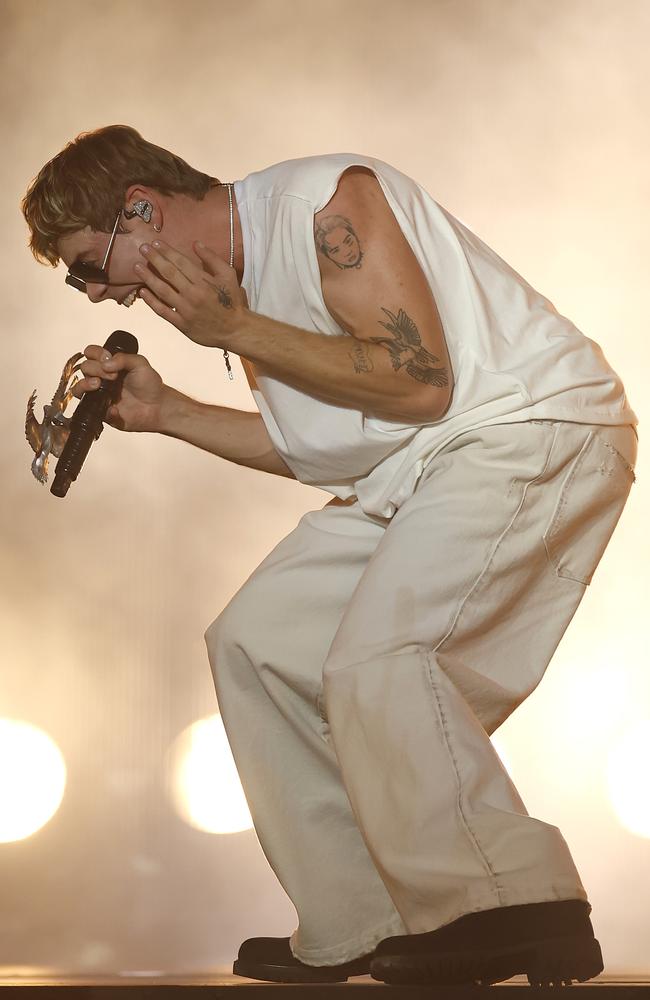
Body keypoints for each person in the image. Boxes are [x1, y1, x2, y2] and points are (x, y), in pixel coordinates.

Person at [22, 125, 638, 988]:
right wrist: (171, 413)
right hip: (421, 465)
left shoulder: (323, 207)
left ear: (141, 209)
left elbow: (420, 380)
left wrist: (237, 329)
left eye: (92, 265)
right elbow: (322, 447)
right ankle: (368, 918)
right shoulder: (235, 296)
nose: (96, 296)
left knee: (381, 654)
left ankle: (517, 905)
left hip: (530, 428)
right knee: (257, 640)